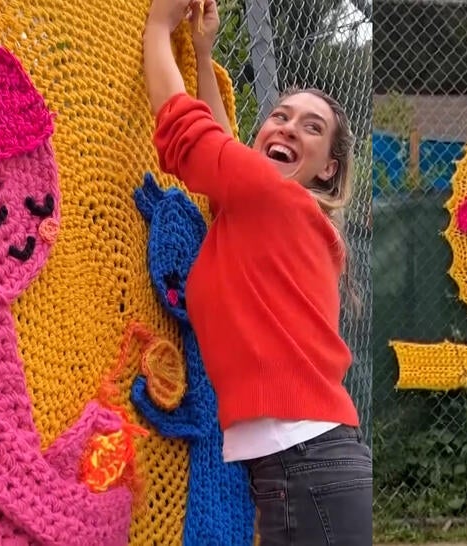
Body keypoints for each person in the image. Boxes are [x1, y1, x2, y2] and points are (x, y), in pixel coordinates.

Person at [142, 0, 373, 544]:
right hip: (308, 465)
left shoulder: (275, 201)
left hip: (306, 468)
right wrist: (203, 56)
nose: (289, 128)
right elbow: (228, 169)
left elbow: (186, 133)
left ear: (328, 167)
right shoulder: (276, 216)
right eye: (281, 115)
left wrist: (157, 27)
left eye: (311, 127)